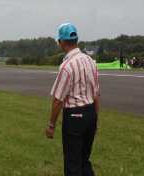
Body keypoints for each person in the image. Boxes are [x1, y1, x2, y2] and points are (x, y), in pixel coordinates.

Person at [46, 23, 100, 176]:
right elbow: (96, 94)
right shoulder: (90, 61)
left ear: (62, 42)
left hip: (75, 116)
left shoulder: (67, 66)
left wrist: (51, 125)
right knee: (84, 160)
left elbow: (58, 100)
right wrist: (95, 118)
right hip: (90, 113)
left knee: (72, 164)